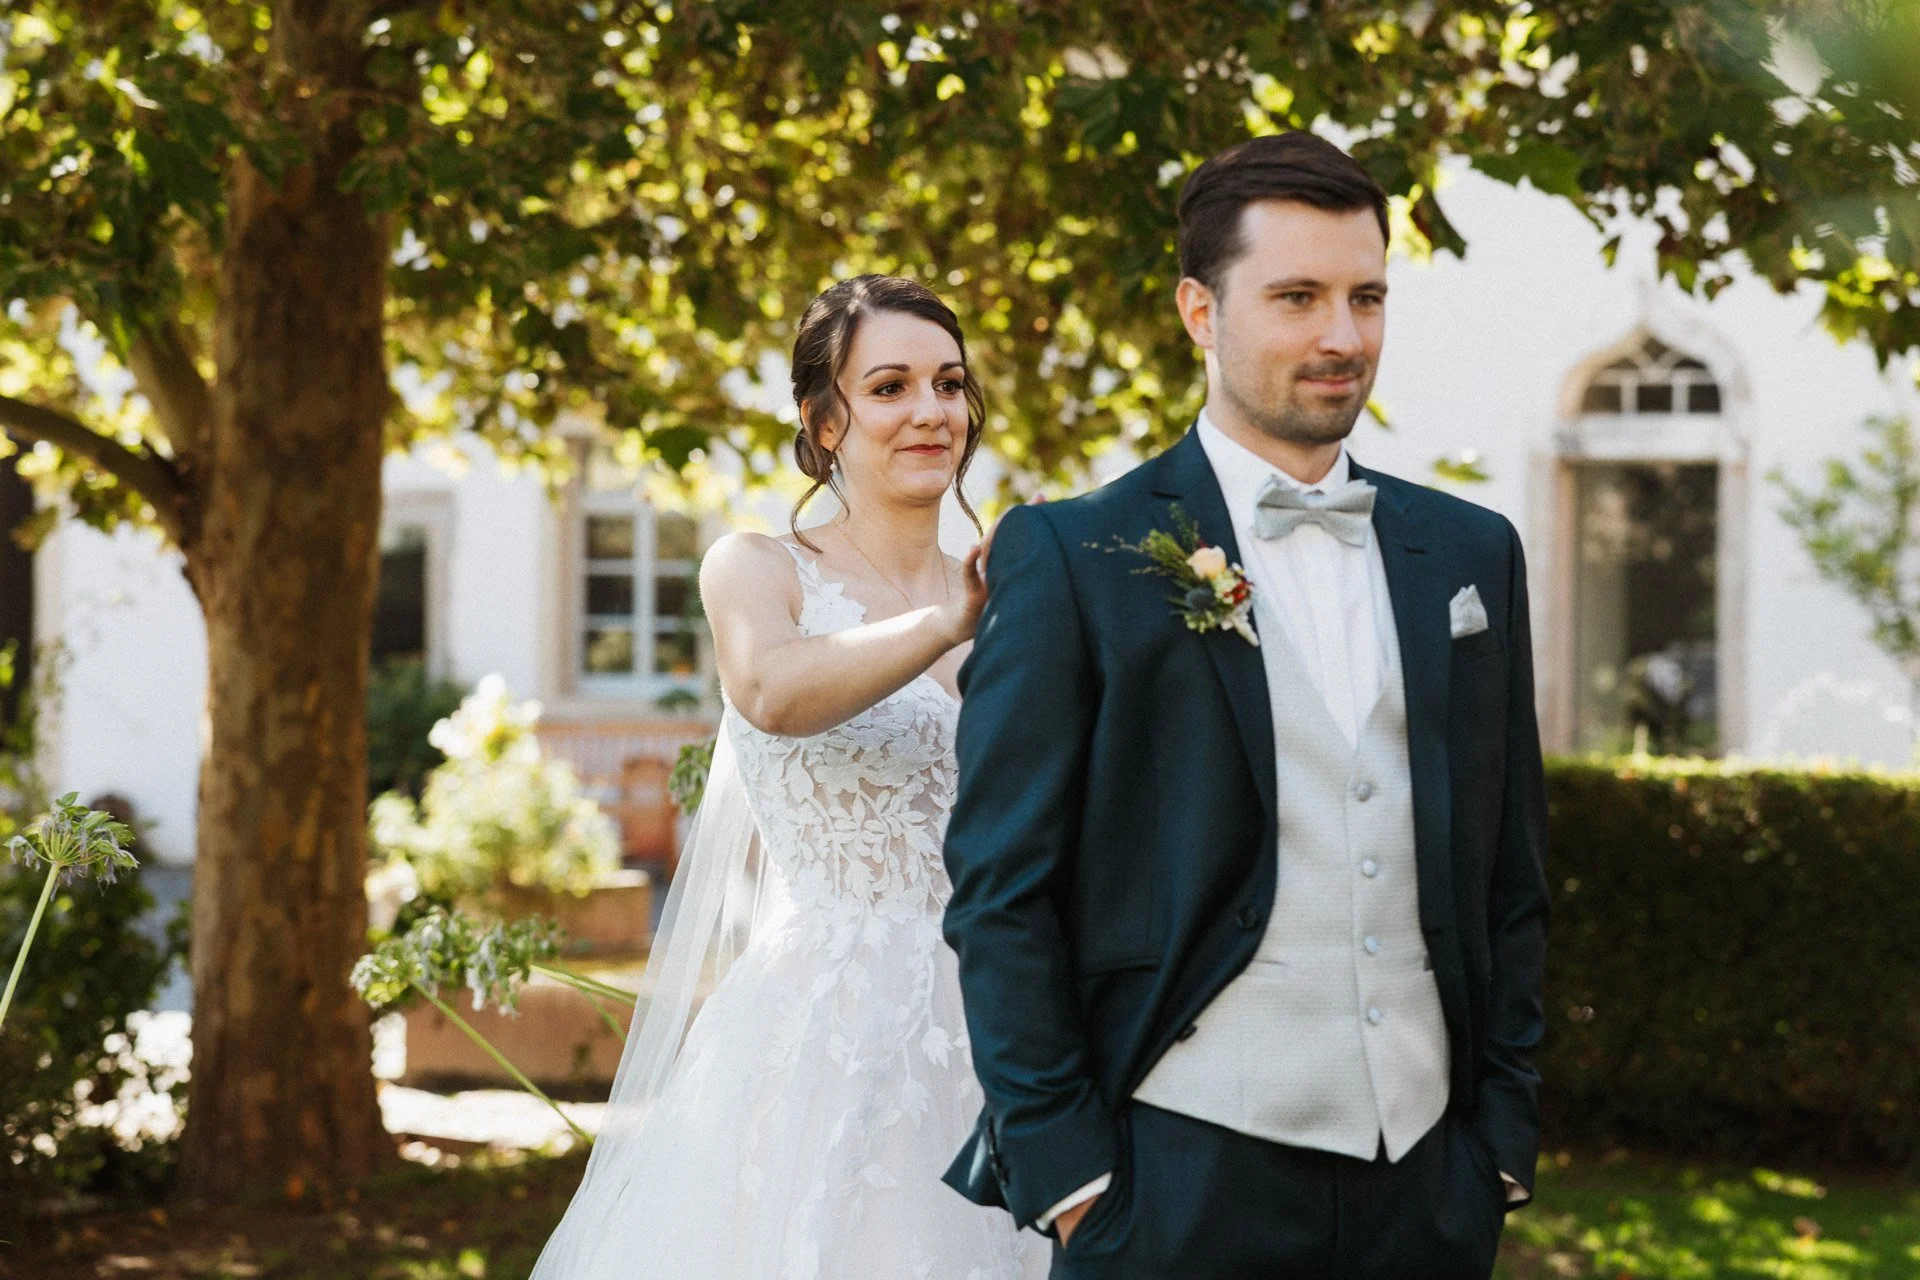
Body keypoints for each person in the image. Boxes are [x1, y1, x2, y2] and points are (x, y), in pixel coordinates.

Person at [940, 132, 1552, 1278]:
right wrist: (1073, 1176)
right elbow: (1001, 892)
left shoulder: (1473, 550)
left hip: (1430, 1184)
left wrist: (1500, 1146)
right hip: (1174, 1175)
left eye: (1366, 296)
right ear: (1198, 310)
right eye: (1297, 296)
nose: (1342, 335)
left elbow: (1511, 877)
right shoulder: (1076, 553)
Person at [530, 274, 1047, 1280]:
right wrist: (949, 621)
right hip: (832, 1024)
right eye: (890, 386)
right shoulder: (757, 565)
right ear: (823, 419)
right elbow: (771, 688)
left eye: (949, 384)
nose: (930, 411)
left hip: (1009, 1011)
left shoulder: (1017, 587)